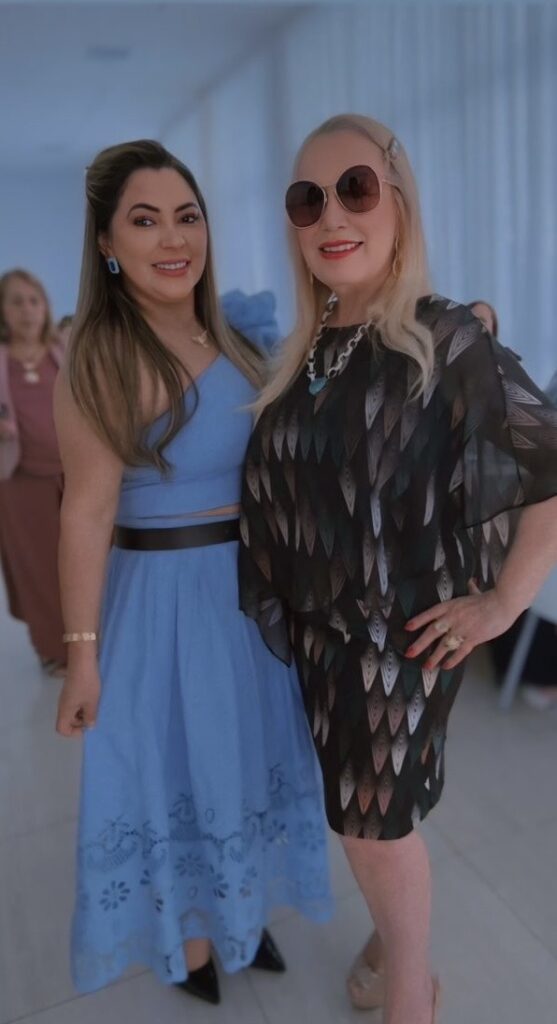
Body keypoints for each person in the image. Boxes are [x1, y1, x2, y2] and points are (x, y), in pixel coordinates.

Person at [238, 113, 557, 1024]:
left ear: (400, 204)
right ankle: (390, 941)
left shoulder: (444, 335)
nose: (331, 215)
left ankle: (409, 995)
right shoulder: (304, 351)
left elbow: (547, 467)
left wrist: (504, 602)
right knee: (371, 816)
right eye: (307, 199)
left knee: (369, 827)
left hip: (397, 642)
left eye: (355, 188)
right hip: (320, 637)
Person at [54, 140, 331, 1003]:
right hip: (161, 602)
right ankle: (197, 940)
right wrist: (82, 654)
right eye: (145, 221)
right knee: (176, 769)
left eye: (187, 215)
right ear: (107, 243)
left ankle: (242, 916)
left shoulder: (234, 334)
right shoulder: (103, 356)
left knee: (240, 761)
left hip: (249, 601)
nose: (173, 238)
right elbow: (84, 513)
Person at [0, 268, 66, 676]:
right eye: (16, 302)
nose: (27, 310)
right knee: (39, 569)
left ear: (45, 307)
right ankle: (54, 649)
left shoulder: (63, 351)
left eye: (33, 300)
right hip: (21, 483)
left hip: (75, 476)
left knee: (86, 561)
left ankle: (97, 641)